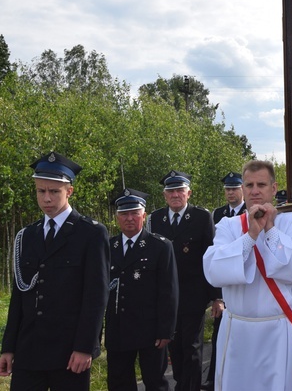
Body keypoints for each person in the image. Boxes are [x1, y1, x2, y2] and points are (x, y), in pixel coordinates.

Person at [0, 152, 109, 390]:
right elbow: (20, 295)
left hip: (69, 352)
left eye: (54, 191)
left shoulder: (91, 234)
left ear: (69, 191)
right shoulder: (27, 236)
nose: (47, 198)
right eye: (41, 191)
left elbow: (96, 297)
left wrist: (84, 347)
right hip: (29, 349)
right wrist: (8, 347)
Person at [203, 160, 292, 391]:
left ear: (273, 188)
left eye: (261, 184)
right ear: (242, 189)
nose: (255, 190)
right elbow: (213, 270)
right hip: (238, 333)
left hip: (279, 331)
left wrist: (270, 229)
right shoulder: (228, 226)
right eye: (249, 184)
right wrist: (250, 235)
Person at [148, 170, 222, 391]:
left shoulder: (201, 217)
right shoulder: (155, 219)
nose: (175, 195)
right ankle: (182, 381)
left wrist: (217, 296)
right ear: (164, 195)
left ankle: (189, 387)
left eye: (180, 190)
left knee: (192, 347)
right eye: (171, 191)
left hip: (193, 295)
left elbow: (211, 257)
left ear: (188, 193)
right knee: (174, 347)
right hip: (166, 297)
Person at [106, 188, 179, 391]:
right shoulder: (107, 247)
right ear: (117, 217)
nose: (129, 218)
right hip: (118, 328)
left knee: (155, 381)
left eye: (134, 213)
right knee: (118, 382)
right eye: (124, 214)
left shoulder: (160, 246)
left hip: (150, 329)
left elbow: (169, 291)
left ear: (143, 215)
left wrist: (166, 330)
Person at [203, 172, 245, 391]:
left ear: (243, 190)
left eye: (234, 189)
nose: (230, 193)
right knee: (221, 334)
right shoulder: (218, 214)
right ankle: (215, 378)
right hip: (224, 282)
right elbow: (214, 255)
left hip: (244, 278)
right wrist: (216, 296)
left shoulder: (251, 212)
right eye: (227, 189)